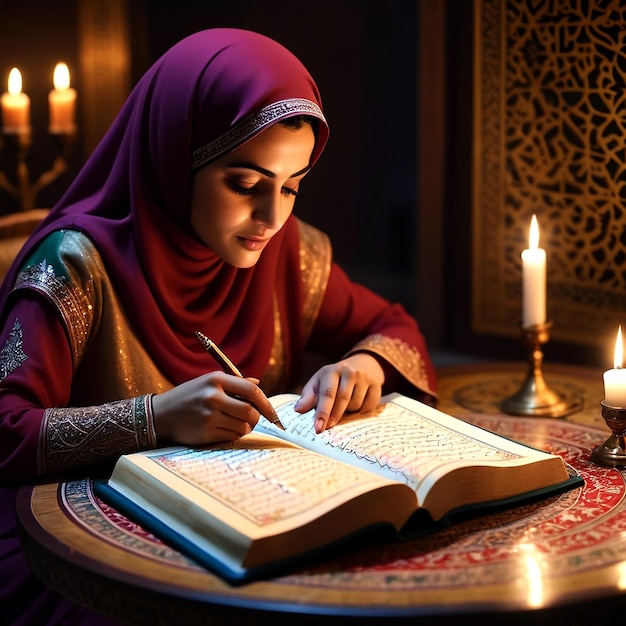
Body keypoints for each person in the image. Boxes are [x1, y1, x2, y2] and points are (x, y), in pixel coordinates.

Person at [0, 29, 436, 624]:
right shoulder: (74, 266)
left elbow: (392, 325)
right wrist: (154, 419)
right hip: (85, 554)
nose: (272, 216)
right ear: (175, 154)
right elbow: (7, 430)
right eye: (246, 185)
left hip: (246, 530)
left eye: (292, 186)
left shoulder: (286, 255)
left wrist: (364, 365)